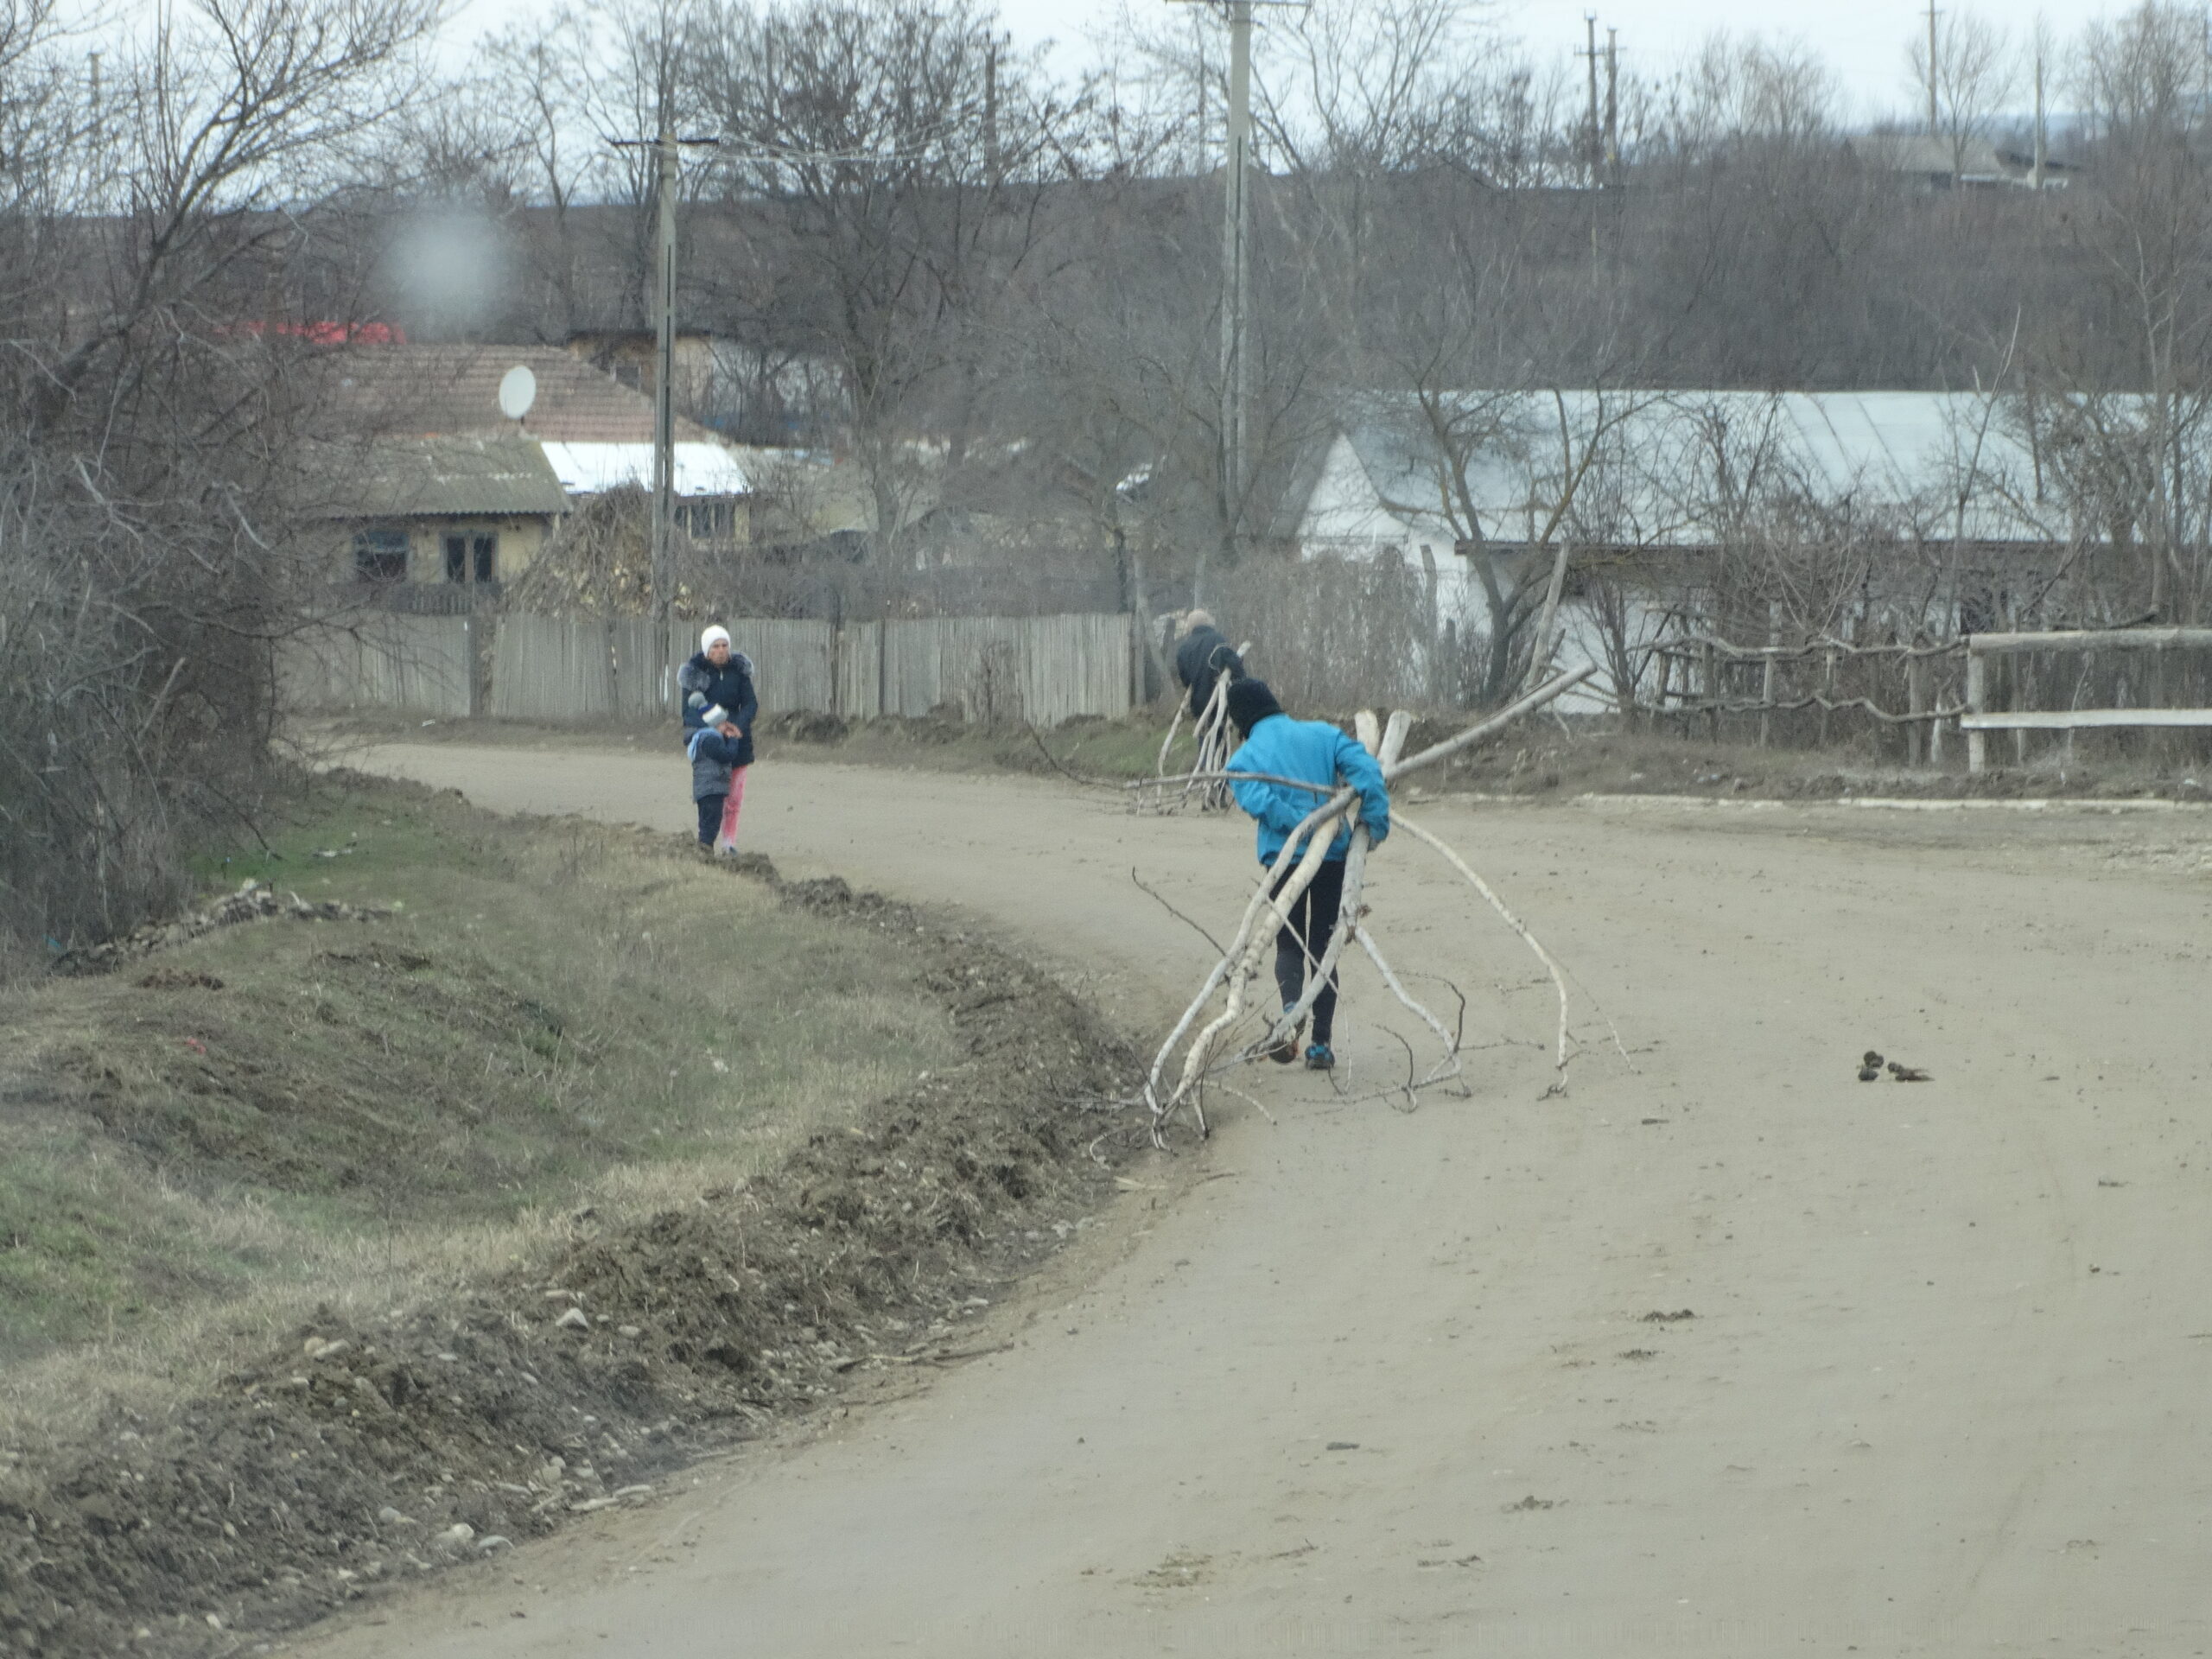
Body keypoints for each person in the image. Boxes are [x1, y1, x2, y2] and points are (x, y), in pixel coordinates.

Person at [1223, 677, 1390, 1071]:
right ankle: (1320, 1045)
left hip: (1284, 861)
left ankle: (1290, 1015)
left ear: (1240, 720)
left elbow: (1259, 801)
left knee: (1288, 944)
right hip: (1333, 856)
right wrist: (1374, 822)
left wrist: (1300, 823)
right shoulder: (1322, 733)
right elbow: (1367, 769)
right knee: (1324, 946)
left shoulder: (1243, 759)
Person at [679, 624, 758, 852]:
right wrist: (717, 727)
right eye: (716, 646)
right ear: (707, 650)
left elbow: (751, 704)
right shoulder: (695, 675)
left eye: (725, 645)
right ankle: (706, 844)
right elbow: (690, 712)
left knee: (734, 798)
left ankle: (729, 843)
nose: (721, 650)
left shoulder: (739, 673)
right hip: (710, 745)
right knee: (713, 796)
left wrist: (737, 726)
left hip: (738, 740)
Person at [1173, 609, 1244, 719]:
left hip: (1197, 701)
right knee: (1219, 731)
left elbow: (1185, 678)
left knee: (1204, 731)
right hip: (1219, 698)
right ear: (1207, 621)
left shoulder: (1184, 648)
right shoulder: (1217, 639)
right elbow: (1235, 665)